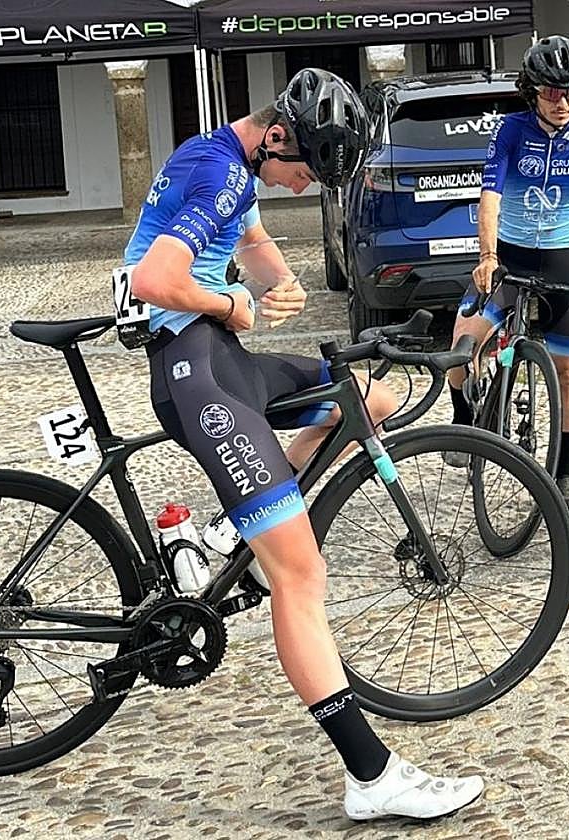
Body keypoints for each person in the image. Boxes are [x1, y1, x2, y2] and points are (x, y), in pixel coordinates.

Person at [123, 68, 484, 820]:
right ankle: (370, 776)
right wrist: (232, 302)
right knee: (301, 575)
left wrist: (276, 282)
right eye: (303, 172)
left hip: (222, 358)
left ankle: (231, 534)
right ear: (277, 137)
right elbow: (156, 278)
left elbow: (250, 242)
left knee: (371, 398)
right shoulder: (220, 171)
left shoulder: (230, 165)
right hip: (198, 370)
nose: (299, 188)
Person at [444, 34, 569, 513]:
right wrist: (486, 256)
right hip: (511, 258)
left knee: (566, 372)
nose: (562, 103)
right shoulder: (511, 130)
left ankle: (565, 474)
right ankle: (464, 415)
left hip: (562, 256)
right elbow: (491, 197)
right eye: (551, 92)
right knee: (461, 346)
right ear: (531, 90)